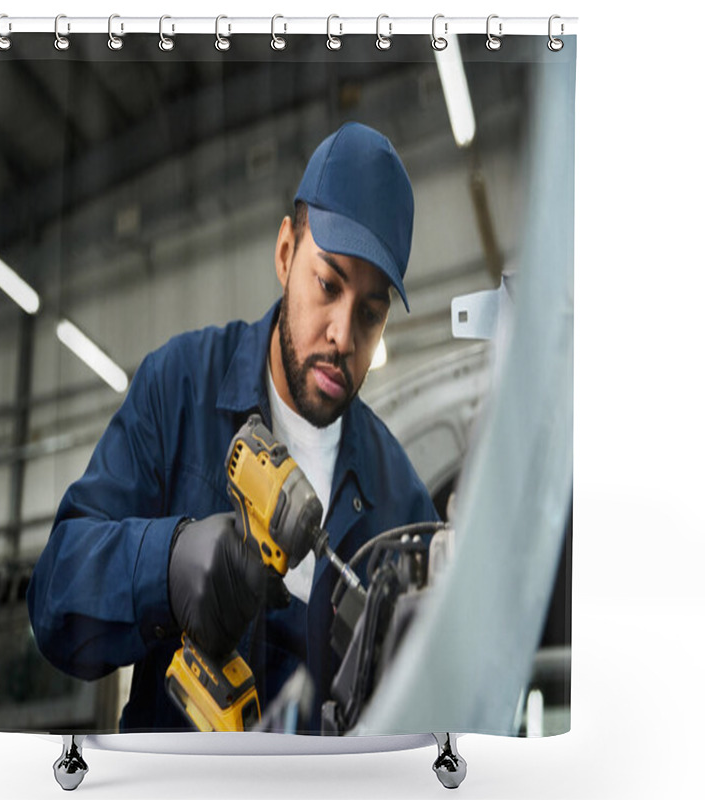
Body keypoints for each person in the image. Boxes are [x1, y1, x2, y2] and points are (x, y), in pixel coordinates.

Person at [27, 122, 438, 733]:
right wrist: (164, 566)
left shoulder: (401, 500)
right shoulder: (179, 389)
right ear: (284, 254)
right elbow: (55, 601)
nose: (343, 335)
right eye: (328, 285)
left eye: (371, 313)